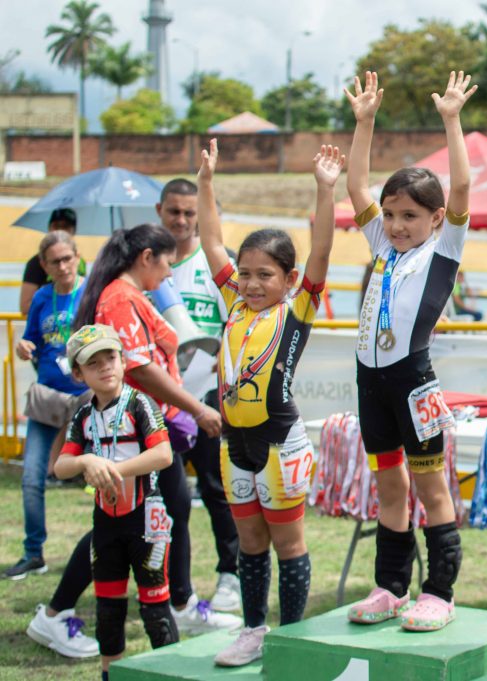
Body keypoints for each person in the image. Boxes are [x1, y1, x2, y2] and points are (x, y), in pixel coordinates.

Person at [342, 69, 475, 633]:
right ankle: (389, 588)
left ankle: (439, 594)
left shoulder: (443, 249)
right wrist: (364, 122)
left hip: (413, 382)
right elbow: (355, 188)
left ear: (436, 219)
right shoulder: (381, 243)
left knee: (430, 486)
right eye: (391, 215)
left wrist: (451, 119)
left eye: (409, 216)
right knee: (388, 486)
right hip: (369, 381)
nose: (395, 225)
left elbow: (462, 189)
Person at [197, 138, 335, 666]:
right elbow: (212, 243)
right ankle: (254, 631)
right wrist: (208, 182)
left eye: (265, 275)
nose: (252, 283)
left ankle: (292, 639)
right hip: (236, 444)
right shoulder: (234, 301)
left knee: (287, 544)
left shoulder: (296, 310)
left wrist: (324, 191)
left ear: (289, 280)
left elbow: (320, 250)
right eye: (246, 273)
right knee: (248, 543)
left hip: (280, 444)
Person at [71, 223, 240, 634]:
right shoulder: (119, 300)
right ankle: (59, 610)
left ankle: (178, 600)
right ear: (147, 257)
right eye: (165, 264)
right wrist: (196, 409)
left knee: (169, 510)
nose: (169, 275)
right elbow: (142, 370)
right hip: (133, 430)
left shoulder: (131, 295)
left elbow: (166, 349)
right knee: (119, 523)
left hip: (146, 424)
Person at [54, 324, 177, 681]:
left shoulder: (140, 403)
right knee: (108, 611)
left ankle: (171, 673)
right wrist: (85, 461)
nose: (105, 367)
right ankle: (109, 675)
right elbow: (61, 467)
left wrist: (112, 468)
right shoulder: (83, 415)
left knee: (155, 611)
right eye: (94, 363)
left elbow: (164, 454)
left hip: (145, 521)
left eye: (111, 357)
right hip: (105, 523)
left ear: (123, 361)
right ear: (79, 373)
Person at [160, 177, 242, 611]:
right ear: (160, 211)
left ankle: (230, 575)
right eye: (174, 211)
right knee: (168, 498)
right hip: (158, 401)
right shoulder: (148, 262)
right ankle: (173, 584)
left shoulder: (217, 265)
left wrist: (224, 363)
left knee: (216, 488)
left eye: (190, 212)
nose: (182, 219)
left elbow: (238, 322)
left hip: (207, 397)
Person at [5, 232, 90, 581]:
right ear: (44, 266)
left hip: (88, 400)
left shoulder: (91, 292)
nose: (63, 266)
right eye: (55, 262)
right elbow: (32, 340)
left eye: (68, 259)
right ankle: (33, 553)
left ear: (77, 257)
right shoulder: (42, 297)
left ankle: (108, 551)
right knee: (31, 477)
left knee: (105, 478)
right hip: (46, 397)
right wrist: (24, 346)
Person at [20, 208, 88, 316]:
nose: (60, 230)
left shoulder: (82, 262)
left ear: (73, 230)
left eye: (65, 226)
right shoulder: (35, 263)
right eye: (56, 226)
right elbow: (25, 305)